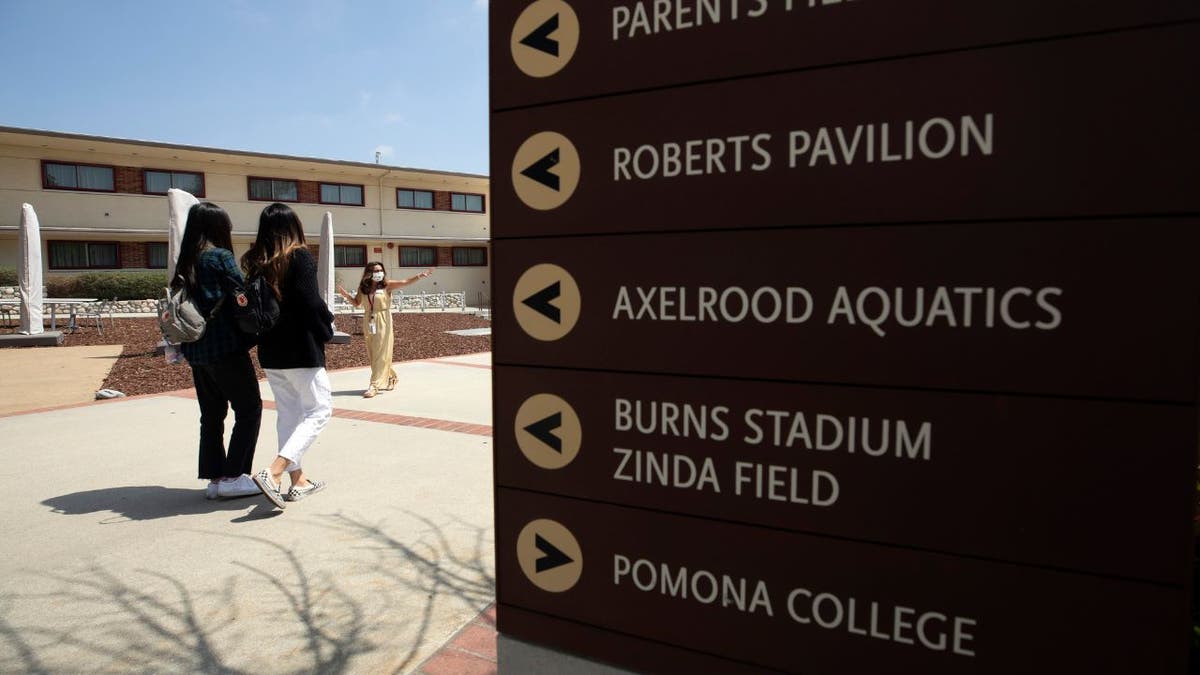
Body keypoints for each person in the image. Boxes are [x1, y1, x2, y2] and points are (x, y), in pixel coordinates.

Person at [244, 203, 335, 509]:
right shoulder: (298, 256)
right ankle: (275, 471)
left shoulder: (256, 262)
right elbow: (311, 302)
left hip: (271, 352)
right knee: (319, 410)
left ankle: (298, 481)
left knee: (289, 415)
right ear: (293, 226)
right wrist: (327, 330)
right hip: (301, 350)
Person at [172, 202, 262, 500]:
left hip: (196, 351)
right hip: (226, 348)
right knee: (249, 409)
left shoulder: (186, 261)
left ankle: (215, 477)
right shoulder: (219, 257)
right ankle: (235, 475)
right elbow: (242, 297)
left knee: (211, 415)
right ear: (216, 227)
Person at [336, 262, 432, 398]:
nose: (379, 273)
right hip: (369, 320)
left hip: (383, 319)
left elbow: (405, 282)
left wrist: (420, 276)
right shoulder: (363, 287)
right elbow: (357, 304)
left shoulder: (387, 285)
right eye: (376, 270)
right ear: (369, 273)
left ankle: (374, 385)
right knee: (374, 353)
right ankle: (390, 377)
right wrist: (346, 296)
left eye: (381, 270)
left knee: (381, 351)